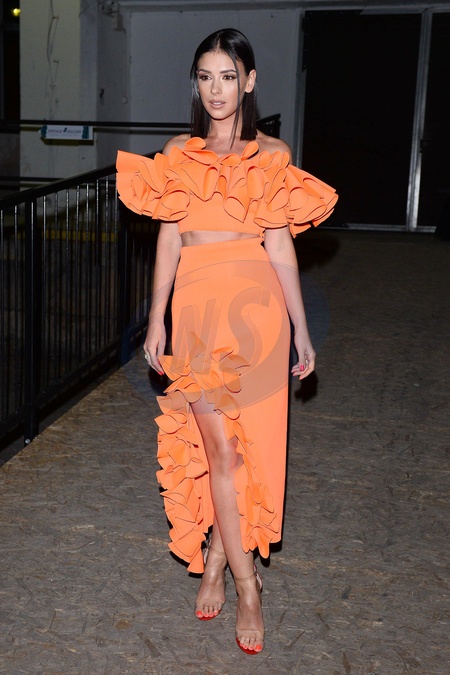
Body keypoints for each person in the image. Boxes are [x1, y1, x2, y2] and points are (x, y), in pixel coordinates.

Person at [116, 27, 337, 655]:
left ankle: (220, 559)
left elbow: (280, 245)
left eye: (228, 76)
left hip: (257, 313)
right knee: (220, 453)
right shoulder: (177, 154)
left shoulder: (272, 155)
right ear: (197, 83)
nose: (216, 90)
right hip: (196, 310)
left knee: (246, 453)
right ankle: (247, 585)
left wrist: (300, 327)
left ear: (250, 81)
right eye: (205, 77)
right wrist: (155, 317)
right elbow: (168, 239)